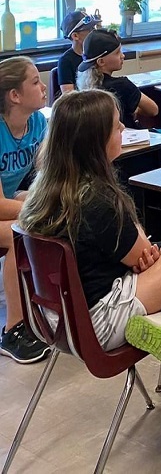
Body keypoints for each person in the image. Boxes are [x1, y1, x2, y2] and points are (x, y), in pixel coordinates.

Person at [18, 89, 161, 365]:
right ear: (96, 141)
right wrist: (141, 244)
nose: (124, 128)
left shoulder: (44, 186)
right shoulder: (96, 198)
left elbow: (138, 250)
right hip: (98, 321)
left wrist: (142, 247)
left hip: (57, 319)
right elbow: (141, 254)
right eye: (117, 126)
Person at [76, 30, 161, 159]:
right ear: (101, 61)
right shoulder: (122, 85)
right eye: (117, 53)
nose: (122, 56)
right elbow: (153, 110)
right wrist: (134, 108)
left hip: (115, 144)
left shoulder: (86, 86)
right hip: (137, 142)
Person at [0, 58, 50, 363]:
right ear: (14, 96)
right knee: (21, 233)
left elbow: (44, 177)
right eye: (34, 82)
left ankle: (48, 311)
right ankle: (13, 331)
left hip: (11, 198)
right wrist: (38, 206)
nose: (44, 86)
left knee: (54, 217)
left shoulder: (39, 123)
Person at [57, 10, 101, 94]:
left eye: (94, 28)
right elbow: (69, 97)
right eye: (90, 29)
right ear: (75, 36)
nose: (94, 32)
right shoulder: (65, 61)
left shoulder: (97, 54)